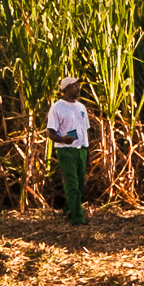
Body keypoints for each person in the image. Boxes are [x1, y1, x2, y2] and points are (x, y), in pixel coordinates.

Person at [46, 76, 94, 226]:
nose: (77, 88)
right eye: (73, 86)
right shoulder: (57, 107)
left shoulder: (81, 108)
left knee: (80, 185)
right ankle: (78, 218)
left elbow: (86, 131)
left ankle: (68, 211)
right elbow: (50, 132)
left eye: (78, 86)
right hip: (66, 150)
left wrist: (87, 153)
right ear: (65, 89)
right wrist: (62, 139)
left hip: (81, 150)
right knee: (72, 184)